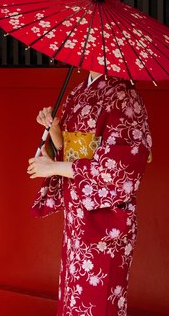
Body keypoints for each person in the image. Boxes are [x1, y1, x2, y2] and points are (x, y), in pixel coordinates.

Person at [27, 70, 152, 316]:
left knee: (100, 298)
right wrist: (54, 129)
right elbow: (70, 150)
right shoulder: (79, 90)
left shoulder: (124, 95)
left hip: (105, 216)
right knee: (75, 293)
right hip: (78, 215)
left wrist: (53, 167)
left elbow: (118, 168)